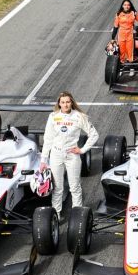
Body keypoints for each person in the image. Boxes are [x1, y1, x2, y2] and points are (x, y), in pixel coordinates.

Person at [41, 92, 100, 220]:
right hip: (56, 154)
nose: (65, 104)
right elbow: (48, 139)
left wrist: (83, 150)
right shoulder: (53, 117)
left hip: (72, 155)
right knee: (57, 188)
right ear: (59, 104)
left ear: (71, 102)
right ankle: (55, 216)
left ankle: (77, 216)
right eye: (63, 102)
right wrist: (43, 160)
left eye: (68, 102)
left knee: (75, 187)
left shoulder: (79, 116)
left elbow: (94, 135)